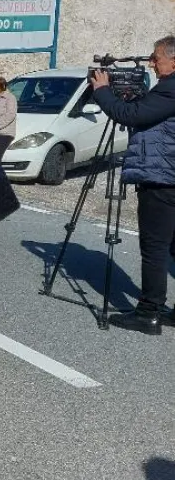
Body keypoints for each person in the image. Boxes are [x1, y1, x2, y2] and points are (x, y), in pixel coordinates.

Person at [91, 35, 175, 335]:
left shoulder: (170, 88)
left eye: (156, 58)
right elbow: (147, 115)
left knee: (154, 247)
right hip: (167, 176)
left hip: (161, 179)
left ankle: (149, 313)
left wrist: (102, 91)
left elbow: (129, 115)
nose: (152, 63)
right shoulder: (166, 90)